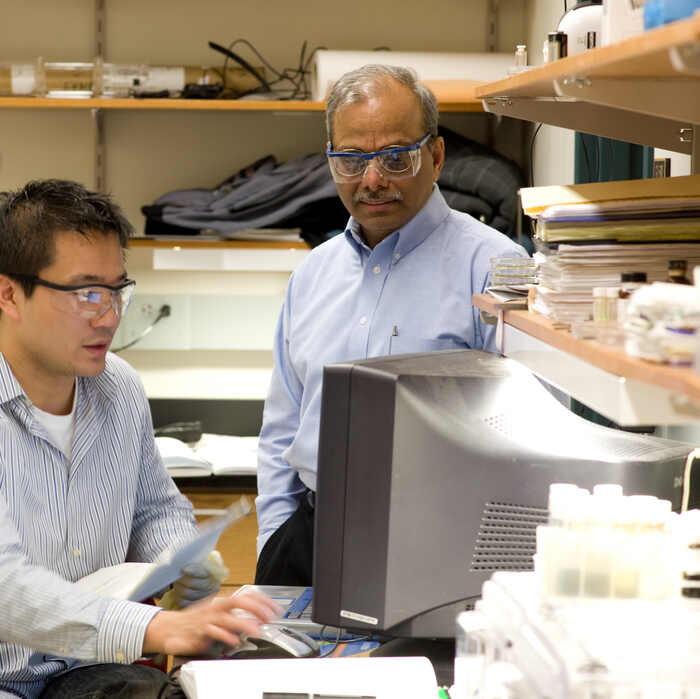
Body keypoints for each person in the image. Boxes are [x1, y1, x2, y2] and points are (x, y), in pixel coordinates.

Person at [0, 179, 280, 699]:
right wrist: (156, 628)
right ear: (9, 293)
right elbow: (5, 587)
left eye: (116, 290)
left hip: (83, 672)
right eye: (86, 292)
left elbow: (154, 509)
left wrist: (178, 559)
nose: (109, 315)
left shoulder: (118, 387)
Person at [254, 64, 530, 586]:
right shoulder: (312, 274)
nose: (372, 180)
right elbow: (282, 428)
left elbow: (527, 438)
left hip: (440, 539)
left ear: (437, 155)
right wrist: (275, 537)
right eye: (351, 161)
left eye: (396, 158)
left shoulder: (496, 267)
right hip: (311, 536)